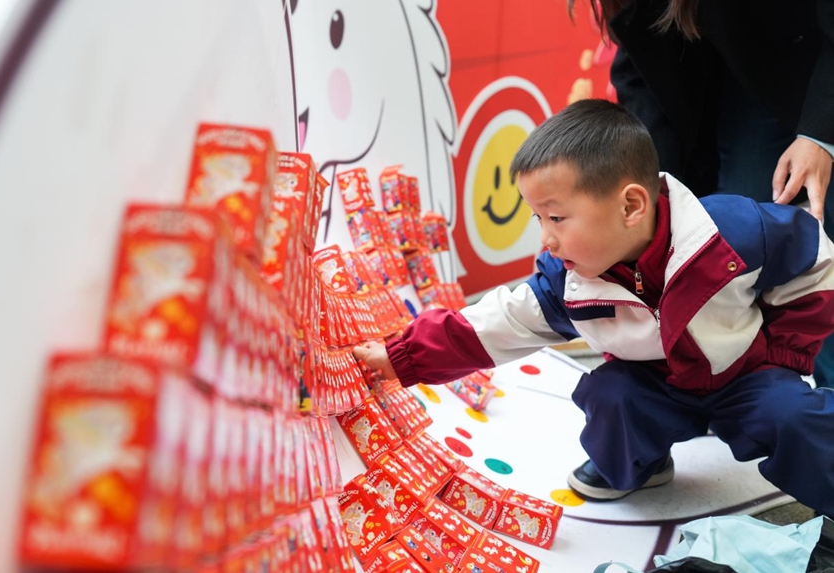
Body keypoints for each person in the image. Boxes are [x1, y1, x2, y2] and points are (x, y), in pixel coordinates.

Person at [353, 100, 834, 516]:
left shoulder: (730, 232)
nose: (545, 237)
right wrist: (401, 356)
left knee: (800, 419)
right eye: (538, 218)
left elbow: (816, 260)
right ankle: (641, 465)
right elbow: (495, 323)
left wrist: (783, 354)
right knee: (610, 396)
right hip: (654, 384)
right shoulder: (568, 280)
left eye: (556, 217)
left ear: (630, 207)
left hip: (744, 377)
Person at [571, 0, 834, 386]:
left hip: (804, 69)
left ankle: (818, 390)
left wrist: (819, 135)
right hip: (725, 84)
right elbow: (642, 68)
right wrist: (653, 186)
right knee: (720, 247)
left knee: (779, 244)